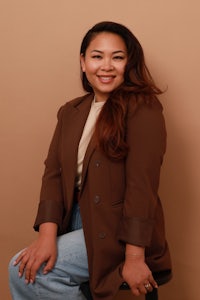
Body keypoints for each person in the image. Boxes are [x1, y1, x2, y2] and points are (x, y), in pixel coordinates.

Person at [9, 21, 172, 300]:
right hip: (72, 220)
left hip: (117, 229)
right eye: (97, 56)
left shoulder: (143, 109)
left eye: (117, 57)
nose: (106, 66)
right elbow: (54, 175)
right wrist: (47, 237)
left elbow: (141, 187)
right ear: (83, 62)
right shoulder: (71, 111)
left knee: (19, 270)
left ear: (129, 62)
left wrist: (134, 256)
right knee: (28, 268)